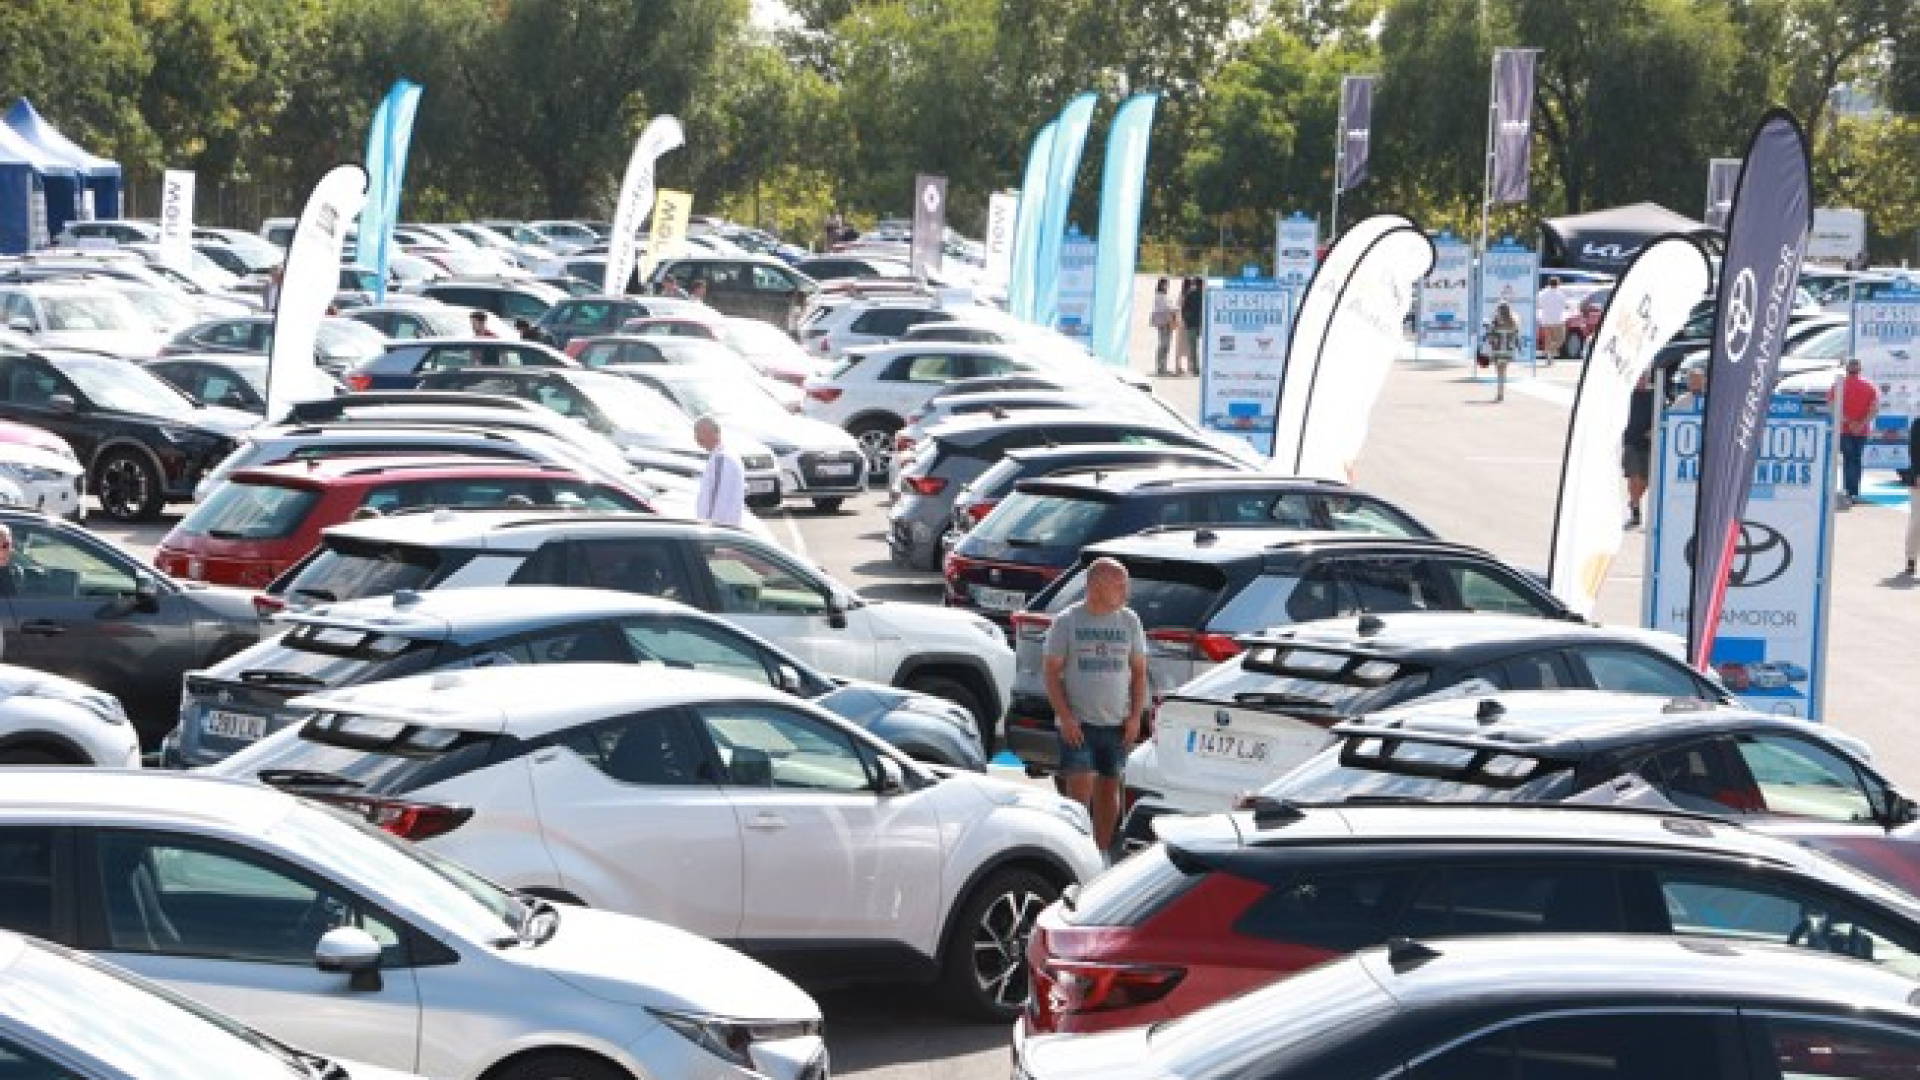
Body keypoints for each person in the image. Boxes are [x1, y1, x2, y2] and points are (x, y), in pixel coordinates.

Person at [1043, 557, 1149, 856]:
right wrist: (1065, 718)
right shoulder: (1068, 621)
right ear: (1097, 584)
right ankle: (1076, 852)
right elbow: (1051, 672)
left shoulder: (1130, 621)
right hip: (1079, 723)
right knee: (1080, 793)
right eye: (1119, 584)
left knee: (1109, 789)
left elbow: (1139, 672)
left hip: (1116, 722)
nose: (1126, 591)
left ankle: (1100, 852)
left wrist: (1134, 717)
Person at [1831, 358, 1879, 506]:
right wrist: (1861, 423)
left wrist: (1848, 422)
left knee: (1848, 460)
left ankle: (1848, 492)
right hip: (1861, 430)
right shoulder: (1870, 386)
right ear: (1860, 370)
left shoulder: (1838, 386)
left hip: (1845, 429)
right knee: (1856, 460)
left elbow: (1832, 406)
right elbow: (1874, 408)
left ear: (1846, 369)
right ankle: (1854, 492)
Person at [693, 414, 746, 527]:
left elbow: (717, 500)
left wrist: (709, 528)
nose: (696, 439)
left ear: (712, 433)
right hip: (723, 529)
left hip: (719, 530)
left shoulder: (721, 459)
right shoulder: (722, 456)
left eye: (698, 433)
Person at [1621, 371, 1654, 528]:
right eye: (1639, 377)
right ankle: (1636, 512)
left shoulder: (1654, 395)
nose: (1641, 380)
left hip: (1648, 444)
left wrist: (1653, 429)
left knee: (1645, 481)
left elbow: (1663, 414)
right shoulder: (1626, 395)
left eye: (1644, 377)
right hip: (1631, 442)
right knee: (1634, 477)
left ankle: (1634, 500)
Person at [1487, 303, 1520, 402]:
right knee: (1504, 371)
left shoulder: (1495, 322)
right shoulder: (1513, 322)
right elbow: (1516, 336)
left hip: (1498, 349)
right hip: (1508, 349)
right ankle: (1501, 392)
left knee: (1499, 372)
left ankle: (1499, 393)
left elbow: (1490, 337)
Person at [1537, 276, 1568, 363]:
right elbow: (1565, 305)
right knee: (1560, 339)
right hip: (1557, 320)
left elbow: (1539, 304)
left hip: (1546, 319)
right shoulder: (1561, 294)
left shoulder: (1542, 293)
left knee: (1549, 338)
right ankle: (1550, 351)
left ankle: (1549, 356)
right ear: (1558, 284)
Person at [1150, 278, 1177, 376]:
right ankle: (1159, 367)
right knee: (1163, 344)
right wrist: (1174, 309)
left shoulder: (1165, 295)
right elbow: (1166, 308)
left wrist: (1174, 310)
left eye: (1167, 284)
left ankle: (1164, 366)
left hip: (1169, 322)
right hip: (1163, 322)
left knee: (1167, 345)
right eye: (1165, 284)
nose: (1166, 286)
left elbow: (1170, 307)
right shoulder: (1159, 296)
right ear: (1160, 285)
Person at [1179, 277, 1204, 376]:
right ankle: (1201, 368)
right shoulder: (1205, 295)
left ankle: (1195, 369)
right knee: (1204, 348)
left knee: (1193, 348)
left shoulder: (1189, 294)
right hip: (1203, 325)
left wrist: (1186, 321)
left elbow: (1183, 310)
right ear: (1202, 284)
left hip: (1191, 325)